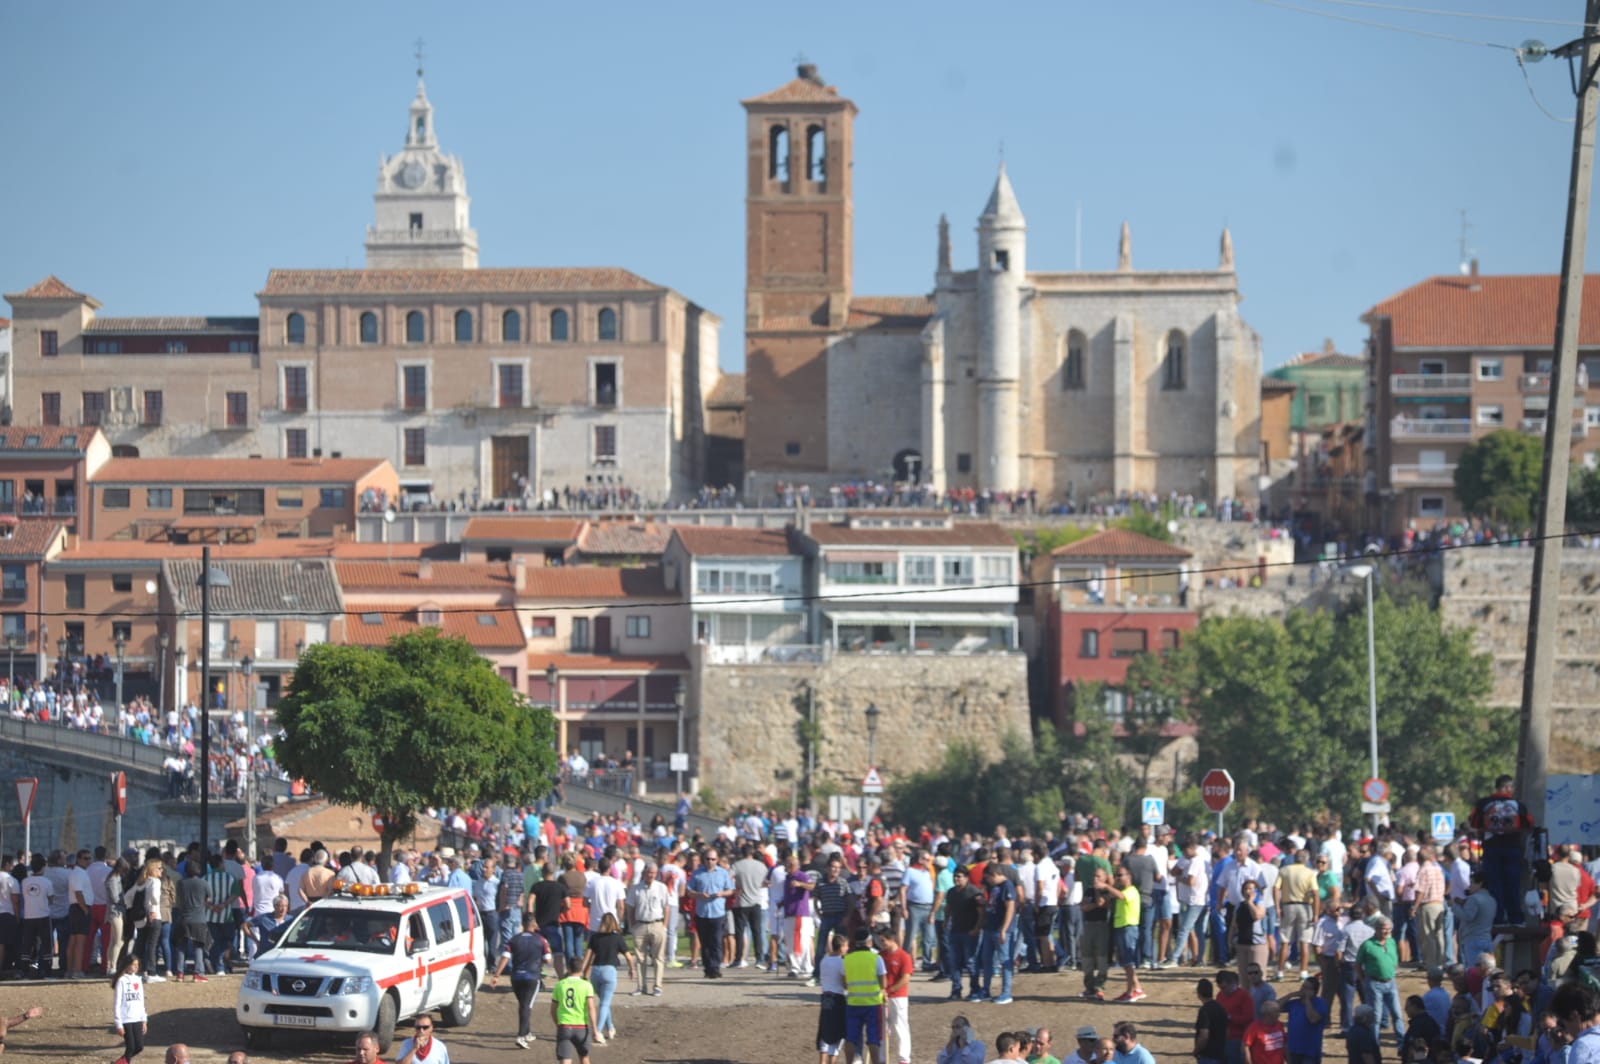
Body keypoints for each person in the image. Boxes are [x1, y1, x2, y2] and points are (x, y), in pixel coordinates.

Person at [1469, 775, 1535, 926]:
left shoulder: (1484, 804)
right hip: (1512, 848)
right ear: (1506, 787)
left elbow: (1473, 821)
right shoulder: (1517, 805)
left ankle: (1497, 918)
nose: (1512, 790)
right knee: (1513, 884)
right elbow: (1529, 823)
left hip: (1491, 849)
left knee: (1494, 885)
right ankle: (1516, 919)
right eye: (1511, 787)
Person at [491, 911, 549, 1049]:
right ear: (534, 924)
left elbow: (505, 957)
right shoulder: (541, 940)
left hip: (516, 978)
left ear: (522, 924)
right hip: (532, 978)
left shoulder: (513, 939)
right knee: (526, 1006)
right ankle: (521, 1036)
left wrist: (496, 975)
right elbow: (548, 959)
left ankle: (527, 1032)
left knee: (523, 1004)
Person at [580, 912, 633, 1045]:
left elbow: (587, 956)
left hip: (596, 971)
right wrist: (631, 969)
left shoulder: (595, 938)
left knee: (604, 1001)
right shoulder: (618, 938)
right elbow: (628, 956)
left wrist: (581, 971)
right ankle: (597, 1032)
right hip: (609, 971)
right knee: (604, 1003)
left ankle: (610, 1028)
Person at [688, 847, 735, 979]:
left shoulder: (723, 873)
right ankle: (708, 968)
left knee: (716, 941)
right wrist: (698, 894)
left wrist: (722, 893)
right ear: (704, 859)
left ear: (717, 860)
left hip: (717, 912)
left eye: (713, 859)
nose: (710, 861)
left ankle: (715, 968)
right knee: (705, 943)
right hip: (702, 912)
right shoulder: (697, 874)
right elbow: (689, 891)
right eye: (708, 859)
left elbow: (731, 890)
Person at [843, 927, 888, 1064]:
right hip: (872, 1004)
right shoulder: (876, 958)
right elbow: (883, 984)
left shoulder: (847, 959)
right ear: (869, 941)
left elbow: (844, 983)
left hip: (853, 1003)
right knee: (873, 1038)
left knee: (851, 1038)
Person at [1358, 917, 1406, 1045]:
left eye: (1389, 929)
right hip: (1374, 983)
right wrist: (1363, 980)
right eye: (1384, 929)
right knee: (1376, 1017)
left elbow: (1394, 959)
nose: (1387, 932)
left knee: (1397, 1014)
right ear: (1377, 929)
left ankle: (1402, 1042)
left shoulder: (1391, 942)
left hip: (1391, 982)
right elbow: (1358, 964)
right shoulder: (1367, 945)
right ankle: (1374, 1043)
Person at [627, 860, 671, 996]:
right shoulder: (636, 888)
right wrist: (632, 925)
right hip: (640, 925)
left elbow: (666, 907)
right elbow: (630, 908)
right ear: (644, 873)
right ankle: (641, 986)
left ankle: (657, 986)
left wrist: (664, 926)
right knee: (640, 958)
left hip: (657, 924)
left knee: (658, 957)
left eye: (654, 873)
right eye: (649, 873)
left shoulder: (661, 887)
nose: (651, 875)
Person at [977, 862, 1018, 1004]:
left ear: (994, 875)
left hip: (1001, 930)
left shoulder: (1007, 886)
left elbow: (1010, 908)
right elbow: (994, 905)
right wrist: (985, 903)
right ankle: (986, 990)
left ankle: (1006, 993)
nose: (987, 881)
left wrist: (1004, 929)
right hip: (990, 927)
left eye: (988, 878)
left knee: (1004, 960)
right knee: (986, 959)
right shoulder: (995, 888)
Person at [878, 928, 914, 1064]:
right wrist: (882, 991)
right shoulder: (880, 956)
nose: (882, 944)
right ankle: (881, 1057)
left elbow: (905, 978)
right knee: (882, 1028)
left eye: (883, 941)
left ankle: (903, 1057)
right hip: (883, 996)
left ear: (892, 939)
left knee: (900, 1026)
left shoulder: (904, 956)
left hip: (898, 997)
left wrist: (890, 990)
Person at [1113, 866, 1147, 1002]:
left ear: (1129, 876)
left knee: (1129, 962)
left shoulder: (1132, 891)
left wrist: (1107, 886)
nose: (1118, 878)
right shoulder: (1124, 890)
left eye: (1120, 875)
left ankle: (1130, 991)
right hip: (1121, 927)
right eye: (1117, 875)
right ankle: (1137, 989)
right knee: (1126, 962)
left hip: (1129, 928)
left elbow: (1121, 897)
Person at [550, 965, 598, 1064]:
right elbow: (591, 1008)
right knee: (584, 1057)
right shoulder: (586, 985)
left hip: (565, 1026)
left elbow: (553, 1010)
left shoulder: (560, 985)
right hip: (581, 1027)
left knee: (565, 1060)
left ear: (568, 969)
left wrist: (558, 1025)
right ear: (581, 971)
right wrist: (595, 1030)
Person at [818, 932, 849, 1064]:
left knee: (825, 1029)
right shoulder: (841, 962)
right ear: (841, 947)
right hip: (838, 998)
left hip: (825, 997)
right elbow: (844, 983)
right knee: (837, 1032)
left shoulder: (824, 960)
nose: (847, 948)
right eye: (846, 946)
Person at [111, 953, 147, 1064]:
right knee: (131, 1047)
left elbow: (141, 1001)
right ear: (127, 965)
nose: (136, 967)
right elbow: (117, 1003)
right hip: (126, 1019)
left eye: (137, 964)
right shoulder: (121, 980)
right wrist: (118, 1023)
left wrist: (144, 1020)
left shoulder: (138, 980)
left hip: (137, 1018)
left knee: (139, 1046)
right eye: (133, 964)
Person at [1285, 975, 1329, 1064]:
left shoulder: (1320, 1003)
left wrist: (1307, 1000)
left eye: (1307, 988)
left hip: (1310, 1051)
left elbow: (1313, 1019)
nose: (1303, 989)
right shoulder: (1295, 1002)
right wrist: (1290, 995)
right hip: (1293, 1049)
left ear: (1314, 991)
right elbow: (1273, 1007)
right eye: (1303, 986)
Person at [1220, 968, 1258, 1064]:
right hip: (1224, 1037)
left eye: (1225, 987)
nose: (1222, 989)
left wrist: (1230, 1017)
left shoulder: (1244, 996)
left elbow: (1249, 1018)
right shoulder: (1220, 995)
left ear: (1233, 984)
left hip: (1238, 1038)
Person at [1198, 977, 1231, 1064]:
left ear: (1199, 993)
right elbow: (1227, 1031)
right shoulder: (1220, 1007)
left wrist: (1196, 1050)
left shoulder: (1204, 1010)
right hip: (1221, 1054)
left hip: (1208, 1056)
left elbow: (1204, 1037)